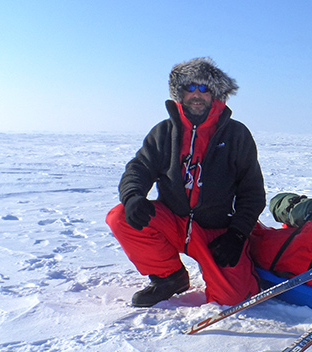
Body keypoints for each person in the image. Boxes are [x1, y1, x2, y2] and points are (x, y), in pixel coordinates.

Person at [106, 57, 265, 307]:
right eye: (190, 88)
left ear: (216, 94)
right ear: (180, 93)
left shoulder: (237, 135)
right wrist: (133, 196)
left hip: (215, 231)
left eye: (204, 88)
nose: (197, 94)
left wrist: (237, 233)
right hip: (173, 220)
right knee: (121, 216)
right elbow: (139, 168)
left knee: (232, 299)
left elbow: (252, 193)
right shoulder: (164, 132)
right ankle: (170, 277)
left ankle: (242, 266)